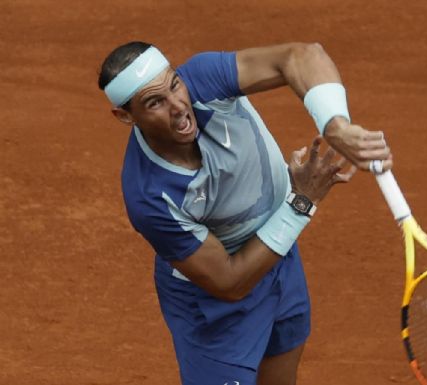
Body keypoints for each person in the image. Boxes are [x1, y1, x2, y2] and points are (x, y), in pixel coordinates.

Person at [97, 41, 392, 385]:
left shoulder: (204, 81)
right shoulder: (149, 196)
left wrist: (335, 126)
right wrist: (301, 203)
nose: (178, 106)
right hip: (213, 304)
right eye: (154, 102)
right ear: (126, 116)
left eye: (174, 84)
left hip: (279, 258)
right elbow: (230, 282)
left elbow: (300, 56)